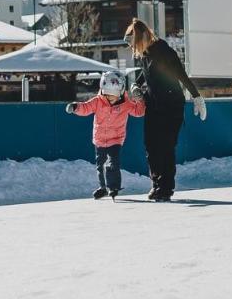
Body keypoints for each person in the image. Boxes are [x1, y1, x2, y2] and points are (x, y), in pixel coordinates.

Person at [125, 18, 207, 202]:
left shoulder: (163, 50)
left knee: (166, 147)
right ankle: (156, 184)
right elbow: (144, 73)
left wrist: (196, 96)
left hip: (171, 105)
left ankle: (166, 188)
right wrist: (136, 86)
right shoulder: (145, 54)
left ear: (141, 38)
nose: (132, 47)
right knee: (151, 146)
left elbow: (180, 73)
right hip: (153, 104)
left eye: (132, 42)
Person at [65, 69, 144, 199]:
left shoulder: (126, 104)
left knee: (113, 164)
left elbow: (138, 112)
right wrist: (75, 107)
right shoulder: (98, 101)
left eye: (113, 97)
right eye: (107, 96)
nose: (110, 99)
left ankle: (113, 187)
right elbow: (85, 108)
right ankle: (103, 187)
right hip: (99, 139)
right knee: (100, 165)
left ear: (120, 92)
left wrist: (140, 100)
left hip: (116, 139)